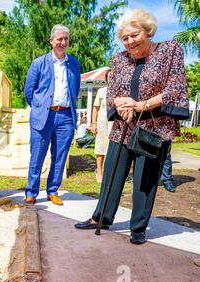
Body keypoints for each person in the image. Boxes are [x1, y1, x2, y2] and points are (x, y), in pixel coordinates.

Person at [74, 9, 190, 245]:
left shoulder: (169, 51)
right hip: (123, 127)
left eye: (134, 35)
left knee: (145, 180)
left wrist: (141, 105)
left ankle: (138, 227)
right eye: (125, 38)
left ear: (148, 31)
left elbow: (175, 89)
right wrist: (121, 104)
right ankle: (101, 217)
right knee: (111, 175)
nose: (130, 42)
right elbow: (112, 93)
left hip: (155, 129)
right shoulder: (118, 59)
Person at [23, 24, 81, 205]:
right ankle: (31, 192)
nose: (63, 42)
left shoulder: (74, 63)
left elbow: (75, 89)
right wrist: (39, 108)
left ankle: (53, 191)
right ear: (51, 41)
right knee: (37, 155)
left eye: (66, 39)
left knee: (60, 156)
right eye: (59, 39)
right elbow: (28, 91)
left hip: (65, 117)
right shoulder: (38, 63)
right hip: (43, 116)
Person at [91, 69, 113, 183]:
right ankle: (99, 170)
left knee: (112, 148)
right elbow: (95, 108)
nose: (111, 78)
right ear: (106, 79)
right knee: (101, 147)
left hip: (114, 124)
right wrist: (94, 124)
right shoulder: (101, 91)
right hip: (102, 122)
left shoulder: (120, 91)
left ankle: (110, 172)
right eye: (109, 77)